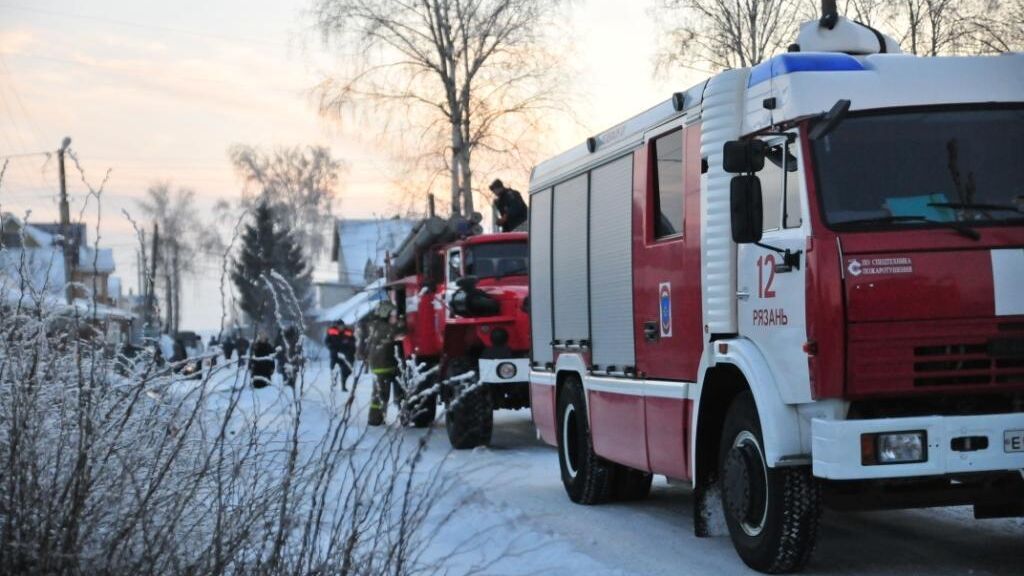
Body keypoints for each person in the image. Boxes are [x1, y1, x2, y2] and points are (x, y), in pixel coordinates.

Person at [367, 305, 403, 426]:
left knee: (381, 394)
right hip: (382, 364)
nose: (392, 317)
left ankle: (377, 418)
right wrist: (402, 323)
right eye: (391, 315)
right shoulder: (382, 327)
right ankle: (375, 419)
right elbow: (396, 331)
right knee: (380, 394)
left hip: (382, 363)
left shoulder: (375, 325)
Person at [325, 321, 357, 391]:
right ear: (337, 326)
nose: (341, 327)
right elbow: (327, 342)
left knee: (346, 370)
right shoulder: (331, 331)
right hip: (335, 354)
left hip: (345, 355)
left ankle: (343, 385)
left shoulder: (348, 332)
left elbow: (353, 341)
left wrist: (349, 345)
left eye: (342, 326)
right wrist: (331, 347)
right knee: (334, 370)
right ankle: (333, 384)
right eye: (340, 326)